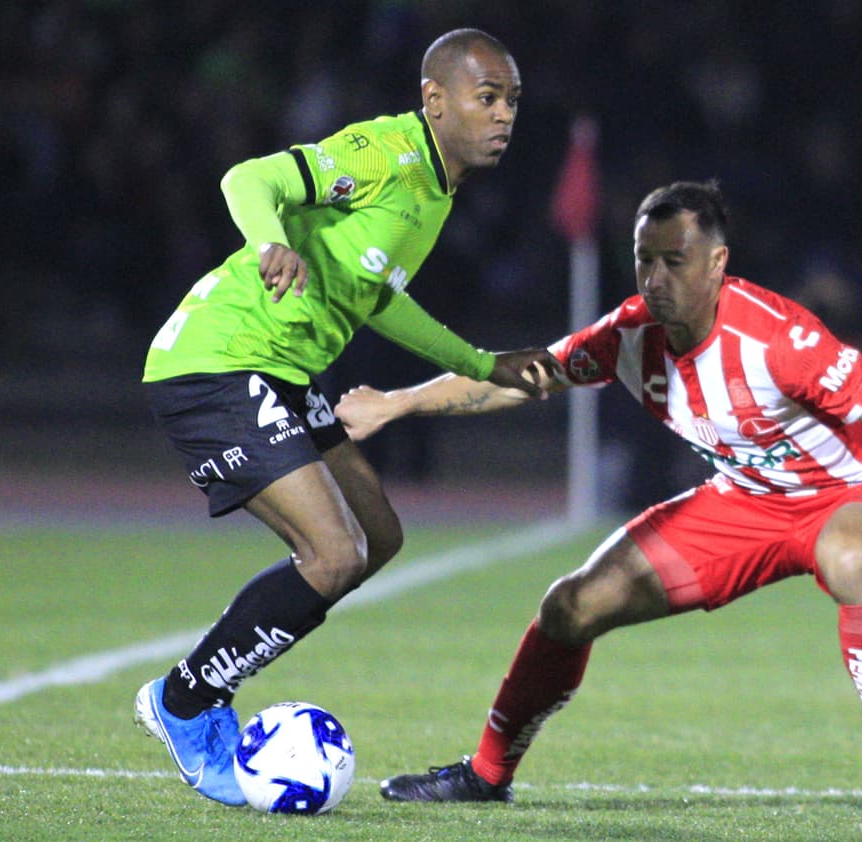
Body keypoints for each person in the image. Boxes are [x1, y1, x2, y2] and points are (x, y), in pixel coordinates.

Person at [335, 181, 862, 817]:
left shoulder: (778, 340)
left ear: (716, 263)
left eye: (674, 261)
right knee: (570, 605)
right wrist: (399, 403)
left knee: (847, 557)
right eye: (644, 260)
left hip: (856, 491)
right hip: (744, 503)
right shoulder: (629, 336)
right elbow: (519, 378)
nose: (654, 278)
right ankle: (487, 773)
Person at [133, 28, 558, 807]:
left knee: (375, 537)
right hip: (218, 359)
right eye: (487, 97)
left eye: (512, 101)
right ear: (434, 101)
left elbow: (378, 297)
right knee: (332, 555)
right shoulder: (385, 153)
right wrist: (271, 244)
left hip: (282, 369)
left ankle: (205, 682)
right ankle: (186, 700)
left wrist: (481, 363)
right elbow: (248, 178)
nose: (504, 115)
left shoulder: (436, 190)